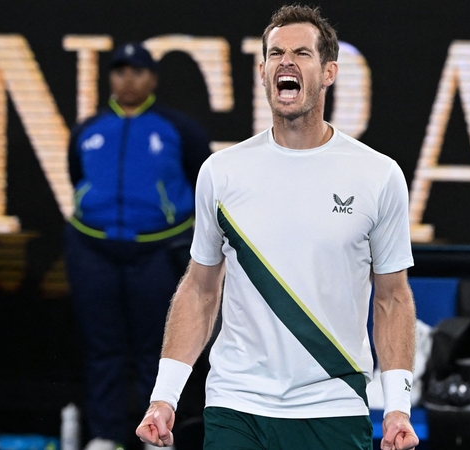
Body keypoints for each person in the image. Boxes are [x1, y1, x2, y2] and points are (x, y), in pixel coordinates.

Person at [135, 5, 419, 450]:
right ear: (263, 71)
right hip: (236, 404)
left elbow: (392, 297)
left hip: (333, 405)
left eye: (302, 53)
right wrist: (164, 397)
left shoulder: (378, 176)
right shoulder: (221, 173)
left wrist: (397, 406)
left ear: (328, 72)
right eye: (276, 53)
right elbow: (200, 290)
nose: (287, 61)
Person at [64, 41, 212, 450]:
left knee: (159, 348)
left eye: (137, 70)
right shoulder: (88, 129)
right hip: (93, 249)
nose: (127, 78)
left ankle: (157, 434)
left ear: (152, 78)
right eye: (120, 70)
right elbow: (76, 175)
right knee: (102, 349)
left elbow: (203, 179)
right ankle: (105, 435)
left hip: (158, 251)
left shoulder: (178, 128)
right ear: (110, 77)